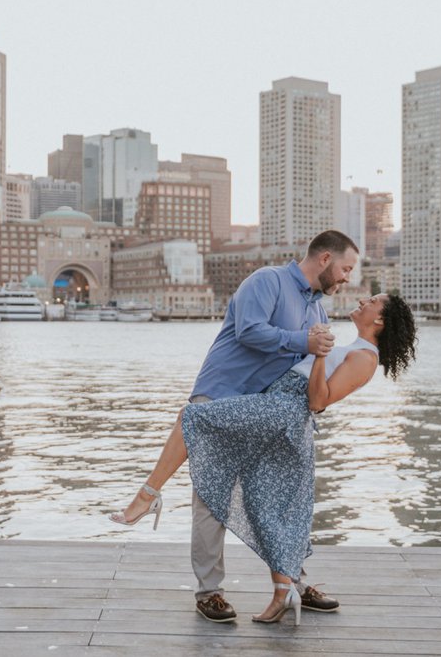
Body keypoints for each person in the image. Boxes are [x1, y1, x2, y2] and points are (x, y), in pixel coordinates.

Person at [112, 293, 418, 625]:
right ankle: (283, 592)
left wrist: (318, 355)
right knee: (266, 504)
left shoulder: (365, 358)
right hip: (279, 407)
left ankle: (147, 496)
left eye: (372, 301)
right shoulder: (354, 348)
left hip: (285, 409)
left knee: (192, 418)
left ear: (379, 320)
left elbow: (318, 401)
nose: (363, 299)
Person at [112, 230, 359, 623]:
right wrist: (304, 342)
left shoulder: (319, 313)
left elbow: (306, 368)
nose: (347, 277)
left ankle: (293, 583)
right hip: (221, 395)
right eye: (346, 268)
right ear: (325, 259)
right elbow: (249, 330)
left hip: (262, 411)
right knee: (212, 499)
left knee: (279, 497)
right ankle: (210, 592)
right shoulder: (268, 281)